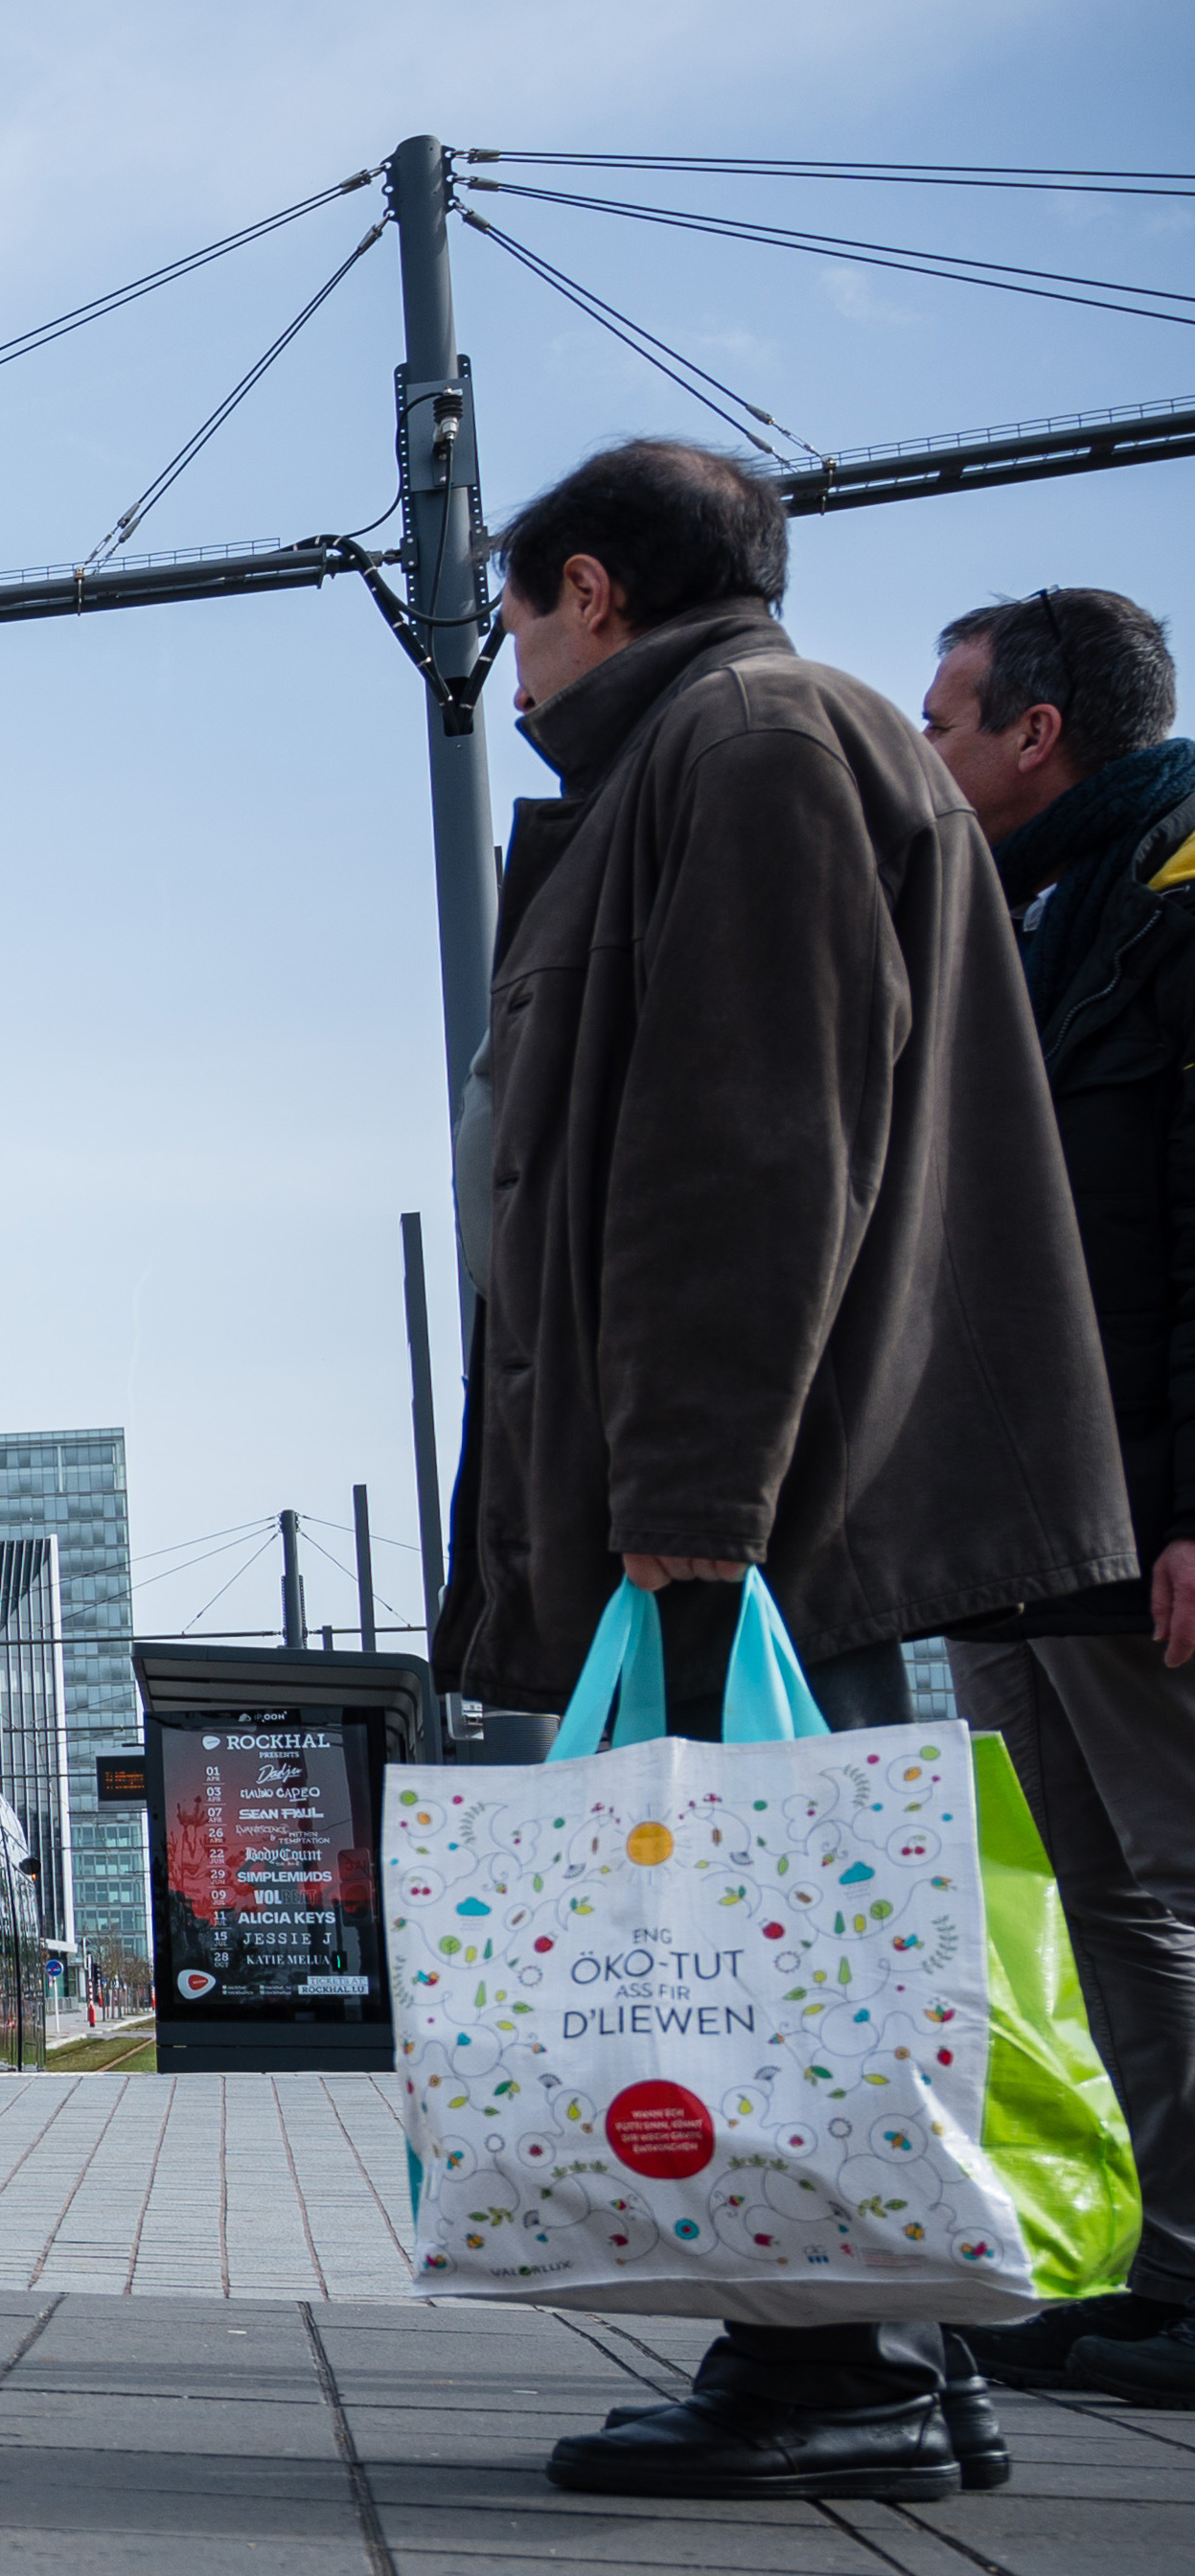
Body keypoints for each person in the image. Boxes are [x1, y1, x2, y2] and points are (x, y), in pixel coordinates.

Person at [433, 440, 1134, 2499]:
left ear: (589, 589)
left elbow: (750, 1149)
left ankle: (843, 2370)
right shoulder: (746, 749)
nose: (510, 658)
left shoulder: (747, 747)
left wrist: (691, 1506)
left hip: (756, 1490)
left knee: (773, 1935)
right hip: (754, 1478)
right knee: (785, 1932)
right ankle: (866, 2338)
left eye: (516, 615)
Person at [920, 586, 1195, 2411]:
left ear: (1040, 731)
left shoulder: (1172, 902)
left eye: (949, 719)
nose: (928, 752)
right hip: (1021, 1514)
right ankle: (1163, 2268)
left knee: (1173, 1876)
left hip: (1141, 1507)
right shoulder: (1019, 920)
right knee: (1097, 1894)